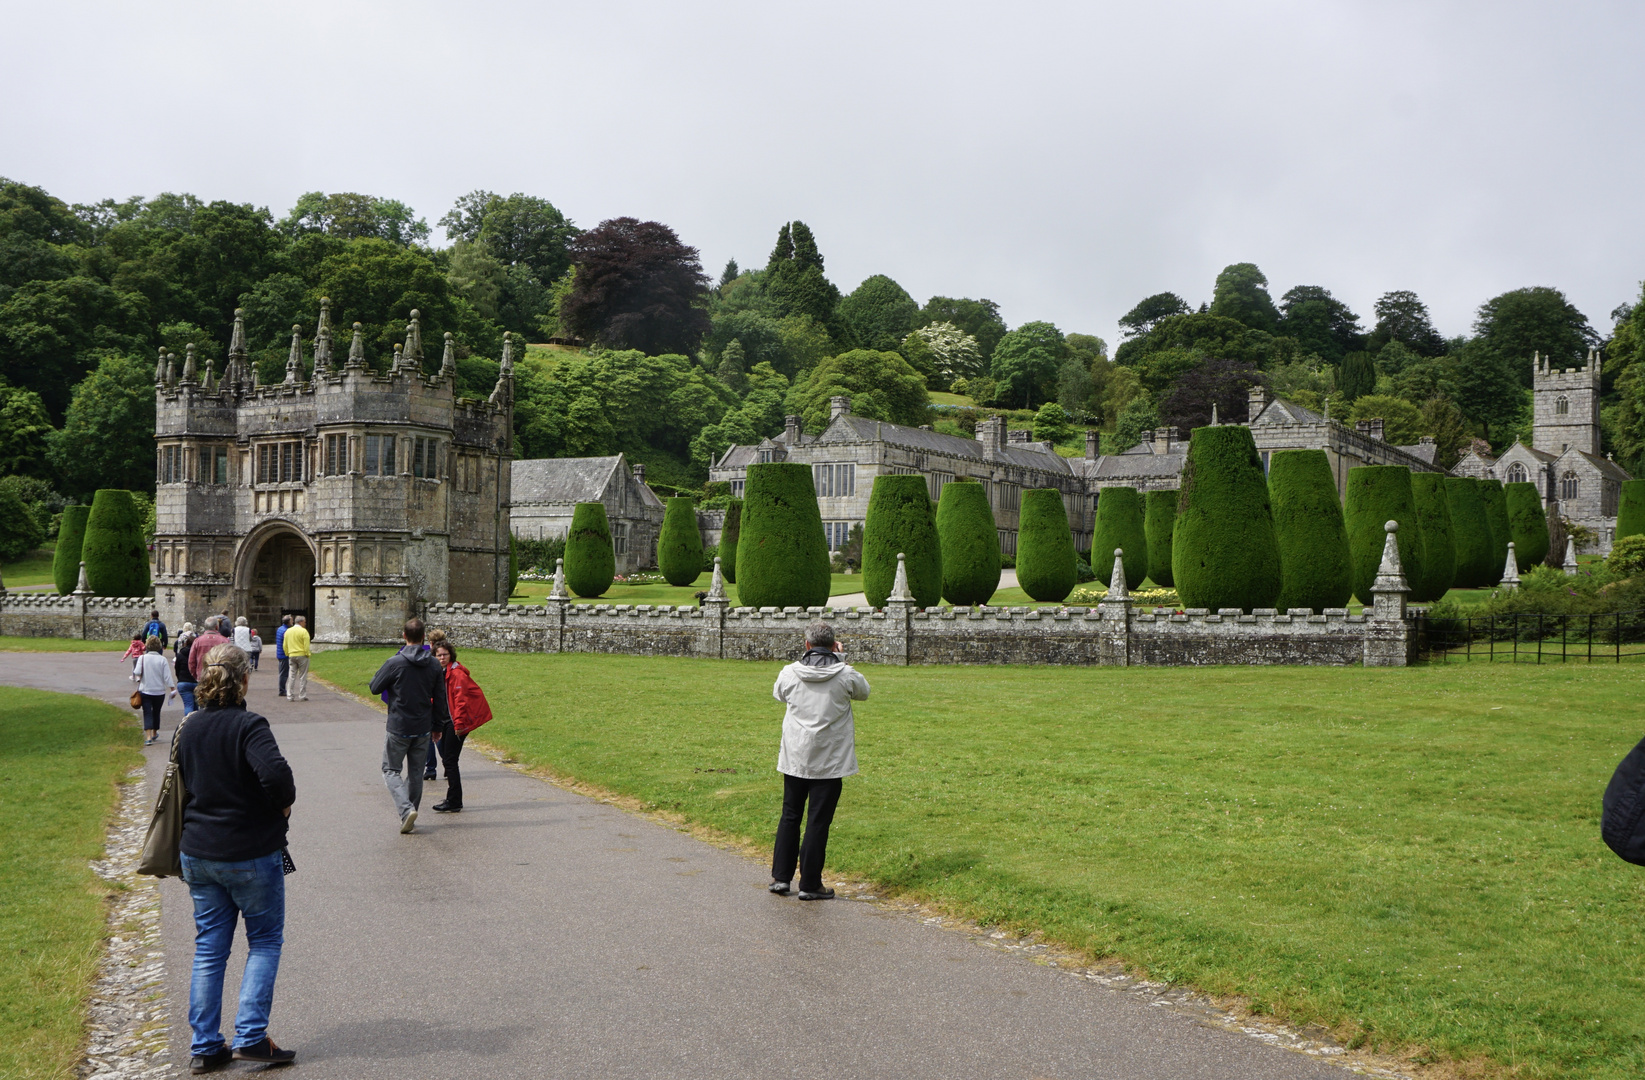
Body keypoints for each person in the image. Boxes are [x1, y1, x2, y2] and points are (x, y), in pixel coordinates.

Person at [175, 643, 297, 1072]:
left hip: (198, 852)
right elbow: (278, 777)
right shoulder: (249, 725)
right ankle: (250, 1036)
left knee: (209, 949)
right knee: (263, 941)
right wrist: (281, 807)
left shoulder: (188, 726)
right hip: (248, 852)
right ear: (244, 679)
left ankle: (205, 1046)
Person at [768, 621, 869, 901]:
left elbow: (778, 694)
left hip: (797, 756)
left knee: (790, 815)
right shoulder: (844, 673)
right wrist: (841, 658)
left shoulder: (790, 673)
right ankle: (811, 883)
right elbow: (864, 692)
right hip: (830, 758)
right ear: (834, 644)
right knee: (817, 821)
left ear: (807, 645)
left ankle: (781, 878)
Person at [368, 618, 450, 833]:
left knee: (390, 769)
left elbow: (375, 687)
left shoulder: (395, 662)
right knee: (416, 773)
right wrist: (438, 726)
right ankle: (410, 811)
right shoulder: (433, 664)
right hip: (423, 726)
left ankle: (406, 810)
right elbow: (441, 697)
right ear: (424, 638)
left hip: (399, 725)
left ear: (404, 636)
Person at [431, 641, 492, 813]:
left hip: (456, 722)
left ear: (451, 655)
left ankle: (454, 800)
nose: (442, 658)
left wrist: (458, 724)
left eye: (445, 655)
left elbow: (461, 702)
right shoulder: (439, 673)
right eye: (439, 655)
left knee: (450, 760)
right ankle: (454, 799)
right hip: (444, 721)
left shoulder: (457, 674)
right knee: (449, 760)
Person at [131, 635, 177, 745]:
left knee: (147, 712)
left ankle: (148, 737)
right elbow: (167, 676)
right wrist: (172, 688)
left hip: (145, 690)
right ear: (159, 647)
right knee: (156, 712)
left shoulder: (142, 658)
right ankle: (155, 732)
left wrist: (139, 678)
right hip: (159, 691)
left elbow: (137, 672)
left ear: (147, 646)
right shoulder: (162, 659)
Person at [189, 617, 230, 683]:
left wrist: (196, 675)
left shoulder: (197, 641)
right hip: (220, 677)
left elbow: (191, 662)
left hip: (203, 676)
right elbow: (229, 660)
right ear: (217, 627)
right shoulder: (225, 641)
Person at [283, 617, 311, 701]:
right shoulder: (303, 631)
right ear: (301, 622)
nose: (305, 623)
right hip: (302, 654)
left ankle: (290, 695)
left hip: (292, 655)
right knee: (303, 676)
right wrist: (307, 653)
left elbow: (285, 644)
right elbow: (306, 645)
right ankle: (302, 695)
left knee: (291, 675)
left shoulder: (288, 631)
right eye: (304, 622)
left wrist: (287, 653)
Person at [173, 623, 198, 715]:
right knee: (196, 706)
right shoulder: (198, 655)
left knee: (188, 705)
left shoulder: (180, 655)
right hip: (196, 682)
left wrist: (180, 678)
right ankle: (195, 724)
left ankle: (188, 724)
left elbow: (177, 669)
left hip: (183, 682)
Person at [274, 615, 292, 698]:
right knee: (284, 674)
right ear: (288, 622)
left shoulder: (280, 629)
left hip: (280, 653)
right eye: (291, 620)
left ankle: (283, 689)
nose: (292, 622)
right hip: (284, 654)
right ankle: (282, 690)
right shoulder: (286, 631)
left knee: (283, 672)